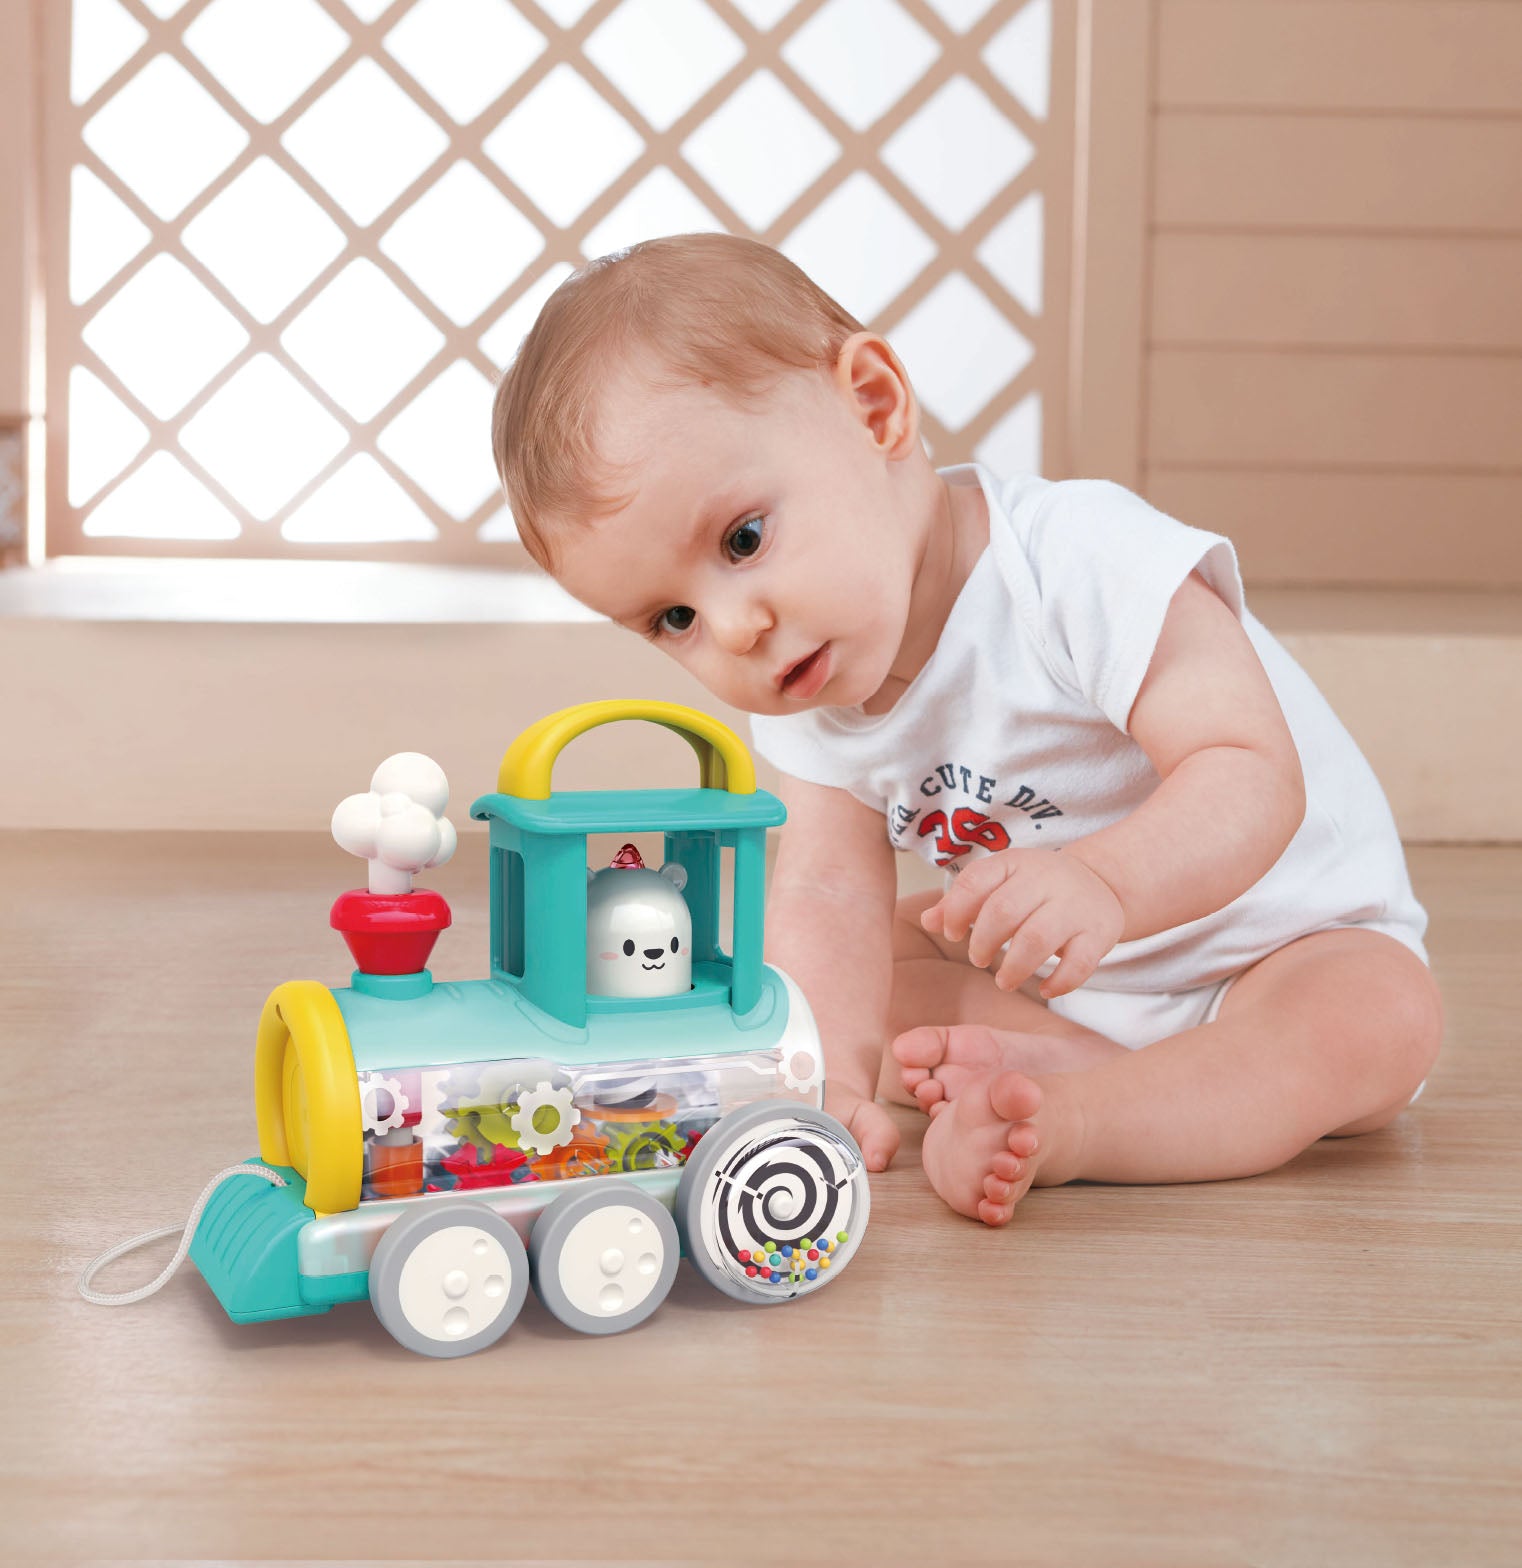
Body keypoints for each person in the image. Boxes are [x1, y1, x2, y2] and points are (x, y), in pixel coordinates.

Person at [490, 233, 1442, 1226]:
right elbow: (826, 890)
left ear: (874, 407)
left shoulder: (1075, 560)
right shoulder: (811, 684)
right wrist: (828, 1075)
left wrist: (1106, 883)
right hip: (1061, 975)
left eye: (743, 539)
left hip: (1279, 948)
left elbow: (1248, 769)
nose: (735, 630)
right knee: (847, 972)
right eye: (673, 619)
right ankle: (1098, 1069)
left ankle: (1086, 1119)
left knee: (1379, 1018)